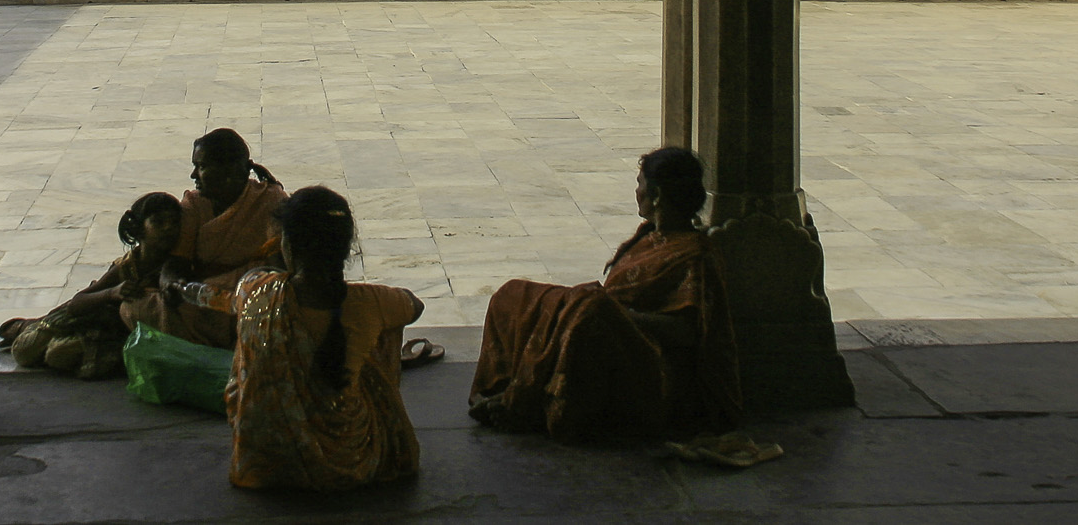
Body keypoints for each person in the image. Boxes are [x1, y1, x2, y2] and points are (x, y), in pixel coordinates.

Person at [468, 146, 742, 441]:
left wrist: (619, 316)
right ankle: (508, 389)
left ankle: (523, 402)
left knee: (590, 308)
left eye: (640, 183)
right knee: (513, 296)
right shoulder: (650, 238)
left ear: (658, 195)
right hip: (606, 330)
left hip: (654, 371)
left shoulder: (696, 254)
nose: (636, 190)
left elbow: (687, 332)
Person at [173, 185, 423, 491]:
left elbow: (221, 298)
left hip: (263, 465)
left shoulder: (257, 290)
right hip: (351, 461)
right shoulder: (371, 301)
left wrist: (183, 288)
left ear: (286, 245)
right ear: (346, 248)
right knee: (371, 358)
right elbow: (414, 306)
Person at [124, 128, 286, 348]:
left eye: (201, 167)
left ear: (228, 170)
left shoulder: (270, 200)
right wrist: (172, 283)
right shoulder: (194, 204)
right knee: (135, 306)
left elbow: (280, 267)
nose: (193, 175)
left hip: (251, 294)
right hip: (204, 296)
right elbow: (177, 262)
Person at [0, 191, 182, 379]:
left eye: (174, 222)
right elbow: (77, 303)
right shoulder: (128, 266)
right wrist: (112, 293)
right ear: (139, 229)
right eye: (158, 222)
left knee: (60, 354)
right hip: (91, 317)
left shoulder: (177, 264)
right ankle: (27, 326)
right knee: (25, 350)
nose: (168, 228)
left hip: (116, 334)